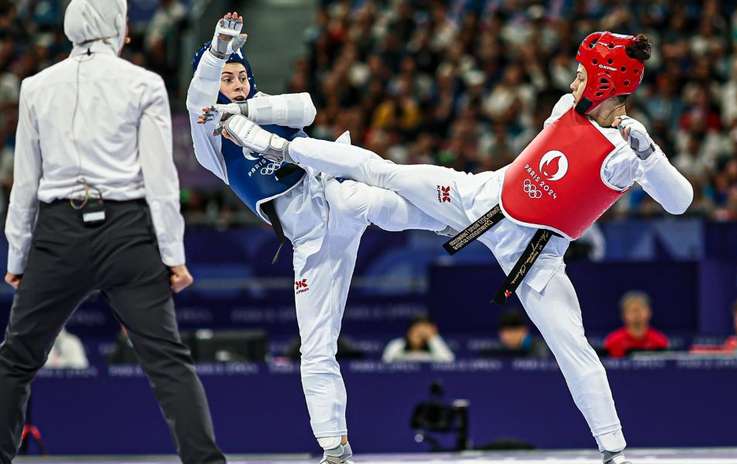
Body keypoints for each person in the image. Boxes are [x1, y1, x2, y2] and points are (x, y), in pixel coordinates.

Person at [224, 32, 694, 464]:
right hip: (476, 200)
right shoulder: (564, 108)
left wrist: (650, 154)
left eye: (582, 75)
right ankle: (271, 146)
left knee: (571, 345)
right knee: (383, 173)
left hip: (534, 257)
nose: (573, 81)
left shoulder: (626, 154)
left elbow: (680, 201)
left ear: (605, 83)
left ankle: (614, 451)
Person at [186, 12, 445, 463]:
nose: (238, 82)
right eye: (227, 78)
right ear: (210, 81)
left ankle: (453, 218)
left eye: (242, 75)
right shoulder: (211, 144)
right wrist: (216, 52)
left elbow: (307, 108)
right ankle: (334, 446)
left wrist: (243, 107)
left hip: (328, 195)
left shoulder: (260, 106)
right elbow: (195, 102)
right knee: (316, 347)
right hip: (309, 246)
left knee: (359, 202)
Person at [0, 1, 226, 462]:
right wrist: (173, 256)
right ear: (119, 27)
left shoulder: (35, 87)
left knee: (16, 361)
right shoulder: (144, 84)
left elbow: (24, 182)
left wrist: (18, 257)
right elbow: (161, 179)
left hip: (58, 234)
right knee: (167, 362)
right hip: (127, 232)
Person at [603, 291, 669, 358]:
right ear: (623, 315)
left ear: (649, 312)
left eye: (640, 309)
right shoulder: (613, 342)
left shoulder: (660, 341)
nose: (637, 314)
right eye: (632, 310)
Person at [382, 315, 455, 363]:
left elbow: (449, 362)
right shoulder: (397, 344)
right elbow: (385, 363)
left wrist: (432, 338)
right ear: (409, 331)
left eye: (422, 332)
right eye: (416, 330)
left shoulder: (435, 347)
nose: (419, 334)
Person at [479, 311, 550, 359]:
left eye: (514, 330)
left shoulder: (543, 350)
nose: (510, 335)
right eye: (506, 331)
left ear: (524, 330)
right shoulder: (495, 353)